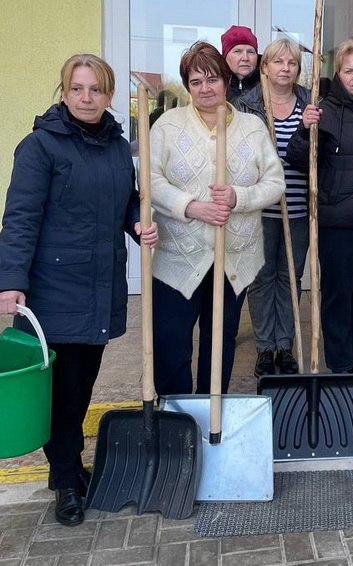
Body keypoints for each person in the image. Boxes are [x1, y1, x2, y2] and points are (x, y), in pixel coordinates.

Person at [0, 54, 158, 526]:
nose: (86, 98)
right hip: (53, 289)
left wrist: (136, 222)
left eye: (95, 89)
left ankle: (70, 467)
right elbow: (21, 218)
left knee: (81, 388)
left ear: (109, 96)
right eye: (76, 88)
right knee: (62, 393)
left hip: (98, 285)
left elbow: (126, 198)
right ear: (64, 92)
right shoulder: (40, 147)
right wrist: (10, 283)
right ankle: (65, 480)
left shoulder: (114, 145)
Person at [149, 41, 285, 397]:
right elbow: (149, 180)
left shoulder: (251, 127)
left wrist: (239, 197)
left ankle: (213, 414)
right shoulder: (167, 126)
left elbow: (275, 183)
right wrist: (191, 206)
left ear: (226, 80)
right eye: (196, 82)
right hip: (178, 257)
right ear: (186, 86)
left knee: (219, 342)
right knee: (170, 342)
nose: (205, 89)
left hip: (233, 257)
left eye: (212, 79)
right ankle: (178, 421)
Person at [286, 39, 353, 385]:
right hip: (335, 221)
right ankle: (338, 363)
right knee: (337, 293)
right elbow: (299, 160)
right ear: (339, 74)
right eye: (348, 70)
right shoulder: (323, 110)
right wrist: (305, 130)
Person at [237, 38, 311, 377]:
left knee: (290, 277)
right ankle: (266, 347)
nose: (285, 68)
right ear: (264, 67)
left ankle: (287, 346)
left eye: (291, 63)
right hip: (258, 210)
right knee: (262, 279)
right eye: (278, 62)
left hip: (297, 208)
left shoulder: (310, 104)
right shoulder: (245, 105)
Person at [222, 25, 260, 105]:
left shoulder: (268, 84)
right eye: (238, 51)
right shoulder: (216, 85)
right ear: (225, 56)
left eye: (250, 52)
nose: (245, 58)